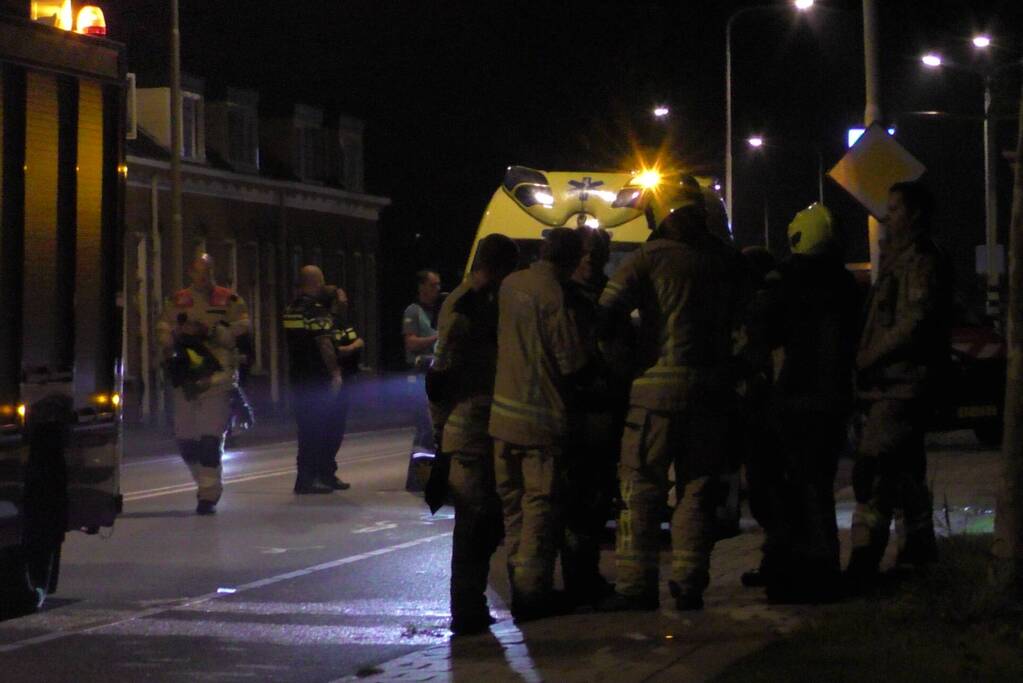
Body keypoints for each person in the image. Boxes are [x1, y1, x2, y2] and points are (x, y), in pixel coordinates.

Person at [597, 181, 745, 612]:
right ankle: (689, 581)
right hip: (709, 395)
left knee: (641, 489)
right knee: (697, 490)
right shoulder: (724, 261)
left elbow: (605, 318)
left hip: (654, 394)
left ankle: (635, 585)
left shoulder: (647, 259)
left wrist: (622, 362)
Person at [846, 181, 952, 587]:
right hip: (890, 384)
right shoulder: (897, 259)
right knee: (907, 474)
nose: (885, 217)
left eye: (894, 209)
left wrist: (870, 356)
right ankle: (919, 554)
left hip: (901, 385)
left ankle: (864, 561)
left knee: (874, 470)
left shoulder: (920, 261)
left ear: (915, 215)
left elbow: (914, 322)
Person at [757, 204, 860, 603]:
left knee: (793, 487)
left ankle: (801, 573)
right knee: (819, 484)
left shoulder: (786, 283)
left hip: (795, 398)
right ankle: (823, 566)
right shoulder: (848, 287)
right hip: (834, 401)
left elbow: (762, 331)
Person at [489, 227, 587, 621]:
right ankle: (532, 596)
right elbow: (572, 361)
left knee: (513, 509)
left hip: (501, 420)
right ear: (568, 259)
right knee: (539, 510)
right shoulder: (553, 295)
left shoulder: (511, 285)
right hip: (539, 423)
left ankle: (519, 583)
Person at [426, 233, 519, 636]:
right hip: (468, 425)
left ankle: (471, 602)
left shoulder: (475, 300)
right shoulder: (468, 305)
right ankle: (466, 607)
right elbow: (442, 373)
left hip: (477, 424)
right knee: (474, 518)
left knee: (484, 517)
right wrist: (440, 428)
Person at [157, 254, 250, 515]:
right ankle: (204, 480)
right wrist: (176, 336)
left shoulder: (229, 301)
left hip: (217, 379)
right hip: (185, 379)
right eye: (199, 271)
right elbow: (162, 331)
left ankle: (208, 495)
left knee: (210, 439)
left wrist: (210, 331)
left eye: (208, 272)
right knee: (185, 440)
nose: (204, 277)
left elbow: (241, 332)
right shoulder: (176, 301)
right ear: (190, 272)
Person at [559, 227, 618, 605]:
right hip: (574, 410)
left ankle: (586, 574)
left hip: (603, 407)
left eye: (596, 253)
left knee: (596, 501)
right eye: (584, 253)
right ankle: (577, 579)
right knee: (575, 501)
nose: (590, 260)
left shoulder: (610, 294)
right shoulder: (561, 295)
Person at [283, 266, 347, 494]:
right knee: (321, 429)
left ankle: (305, 477)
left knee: (306, 429)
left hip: (298, 376)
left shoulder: (292, 308)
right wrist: (335, 372)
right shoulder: (316, 310)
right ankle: (313, 478)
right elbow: (324, 344)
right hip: (317, 378)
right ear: (317, 284)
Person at [322, 284, 364, 489]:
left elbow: (357, 340)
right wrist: (353, 346)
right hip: (335, 383)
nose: (346, 300)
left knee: (337, 429)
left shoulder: (344, 322)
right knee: (330, 428)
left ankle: (329, 471)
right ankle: (324, 471)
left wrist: (353, 346)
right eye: (341, 297)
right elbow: (337, 350)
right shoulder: (328, 322)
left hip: (347, 380)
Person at [404, 270, 442, 456]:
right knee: (424, 425)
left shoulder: (439, 310)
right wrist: (437, 338)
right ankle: (417, 476)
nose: (437, 289)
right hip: (419, 374)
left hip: (435, 374)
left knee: (433, 427)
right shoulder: (413, 311)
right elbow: (411, 343)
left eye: (438, 285)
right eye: (433, 285)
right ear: (422, 287)